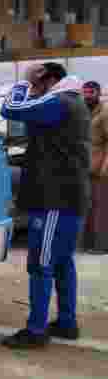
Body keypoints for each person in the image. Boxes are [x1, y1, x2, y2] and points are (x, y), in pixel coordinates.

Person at [0, 62, 92, 348]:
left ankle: (36, 330)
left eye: (38, 86)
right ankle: (66, 323)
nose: (34, 93)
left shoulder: (59, 101)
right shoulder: (73, 103)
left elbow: (11, 109)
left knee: (41, 264)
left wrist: (25, 81)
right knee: (62, 263)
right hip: (68, 198)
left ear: (49, 80)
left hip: (55, 199)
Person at [84, 81, 108, 254]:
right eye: (84, 92)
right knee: (88, 208)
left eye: (90, 92)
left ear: (98, 93)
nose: (86, 95)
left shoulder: (105, 113)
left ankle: (101, 246)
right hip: (85, 168)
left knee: (101, 209)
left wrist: (105, 167)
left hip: (101, 169)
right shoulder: (84, 112)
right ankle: (88, 243)